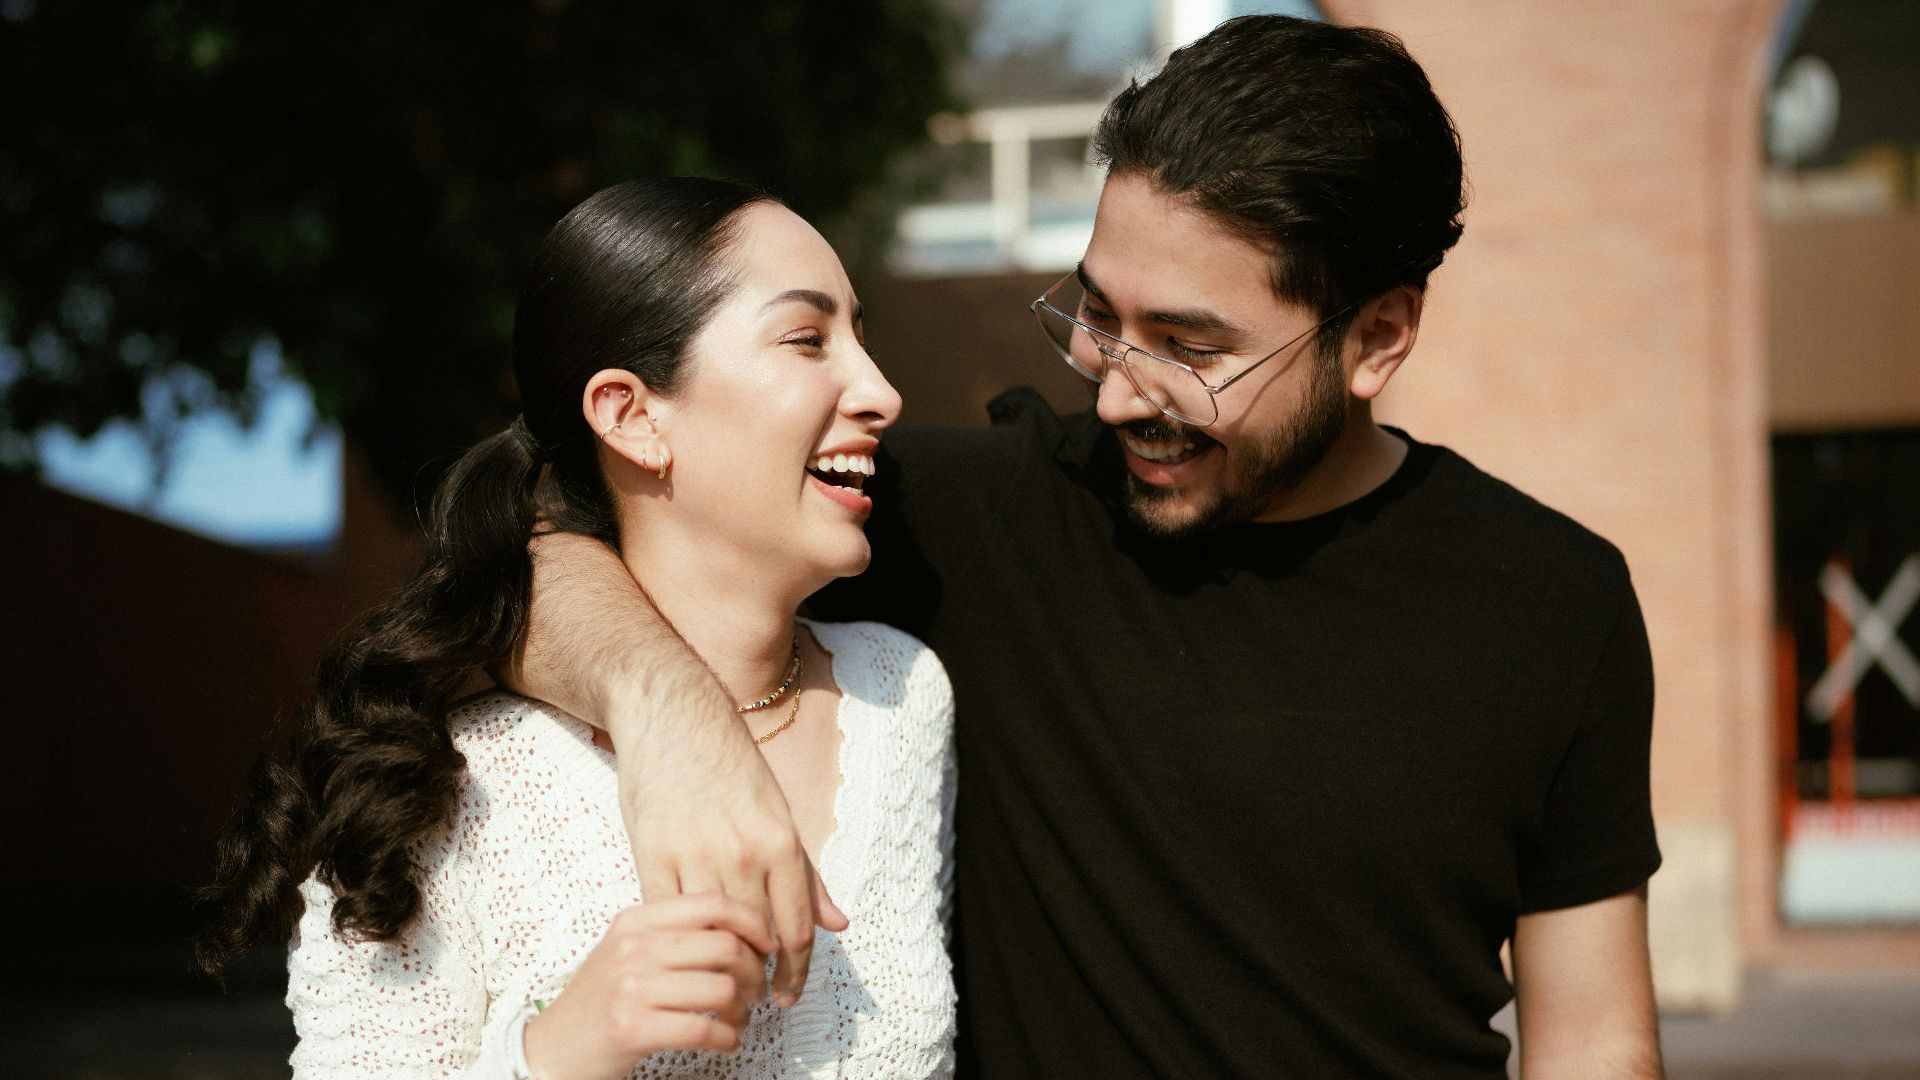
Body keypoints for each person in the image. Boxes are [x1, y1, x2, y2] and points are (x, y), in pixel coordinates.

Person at [510, 15, 1664, 1080]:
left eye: (1192, 348)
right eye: (1102, 319)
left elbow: (1597, 1043)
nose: (1120, 395)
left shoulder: (1553, 602)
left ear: (1378, 337)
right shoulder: (984, 520)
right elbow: (534, 532)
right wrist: (668, 714)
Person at [196, 178, 958, 1079]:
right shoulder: (430, 769)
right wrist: (562, 1048)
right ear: (632, 417)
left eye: (861, 337)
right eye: (806, 340)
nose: (880, 391)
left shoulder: (899, 695)